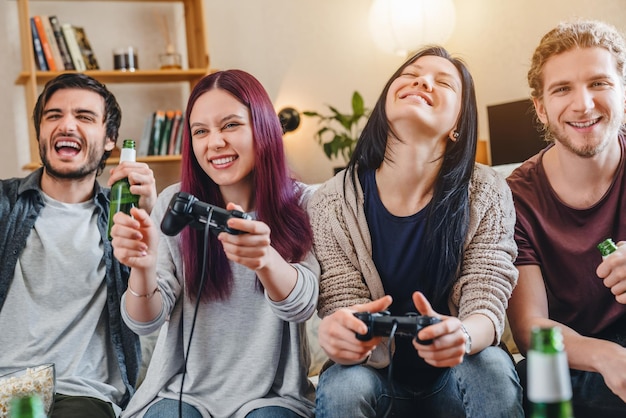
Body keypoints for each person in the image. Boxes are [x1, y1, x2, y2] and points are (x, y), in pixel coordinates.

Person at [308, 45, 523, 417]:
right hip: (376, 378)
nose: (422, 81)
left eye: (443, 82)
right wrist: (341, 333)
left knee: (488, 367)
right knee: (345, 386)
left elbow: (486, 301)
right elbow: (342, 302)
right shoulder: (332, 202)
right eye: (410, 74)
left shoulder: (486, 191)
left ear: (458, 125)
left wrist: (463, 335)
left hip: (458, 378)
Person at [110, 69, 319, 418]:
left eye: (230, 125)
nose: (215, 142)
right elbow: (144, 322)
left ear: (263, 128)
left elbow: (302, 306)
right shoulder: (173, 202)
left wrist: (266, 260)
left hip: (273, 397)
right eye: (201, 132)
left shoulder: (308, 204)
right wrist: (142, 270)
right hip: (182, 391)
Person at [0, 73, 157, 417]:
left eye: (84, 117)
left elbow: (153, 311)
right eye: (53, 116)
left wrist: (152, 222)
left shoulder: (125, 218)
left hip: (78, 395)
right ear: (40, 132)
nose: (66, 125)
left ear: (110, 140)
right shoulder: (4, 205)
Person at [506, 20, 626, 417]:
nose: (584, 104)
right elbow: (530, 328)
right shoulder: (516, 197)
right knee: (527, 382)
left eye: (599, 83)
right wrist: (608, 358)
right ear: (540, 107)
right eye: (562, 89)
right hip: (571, 358)